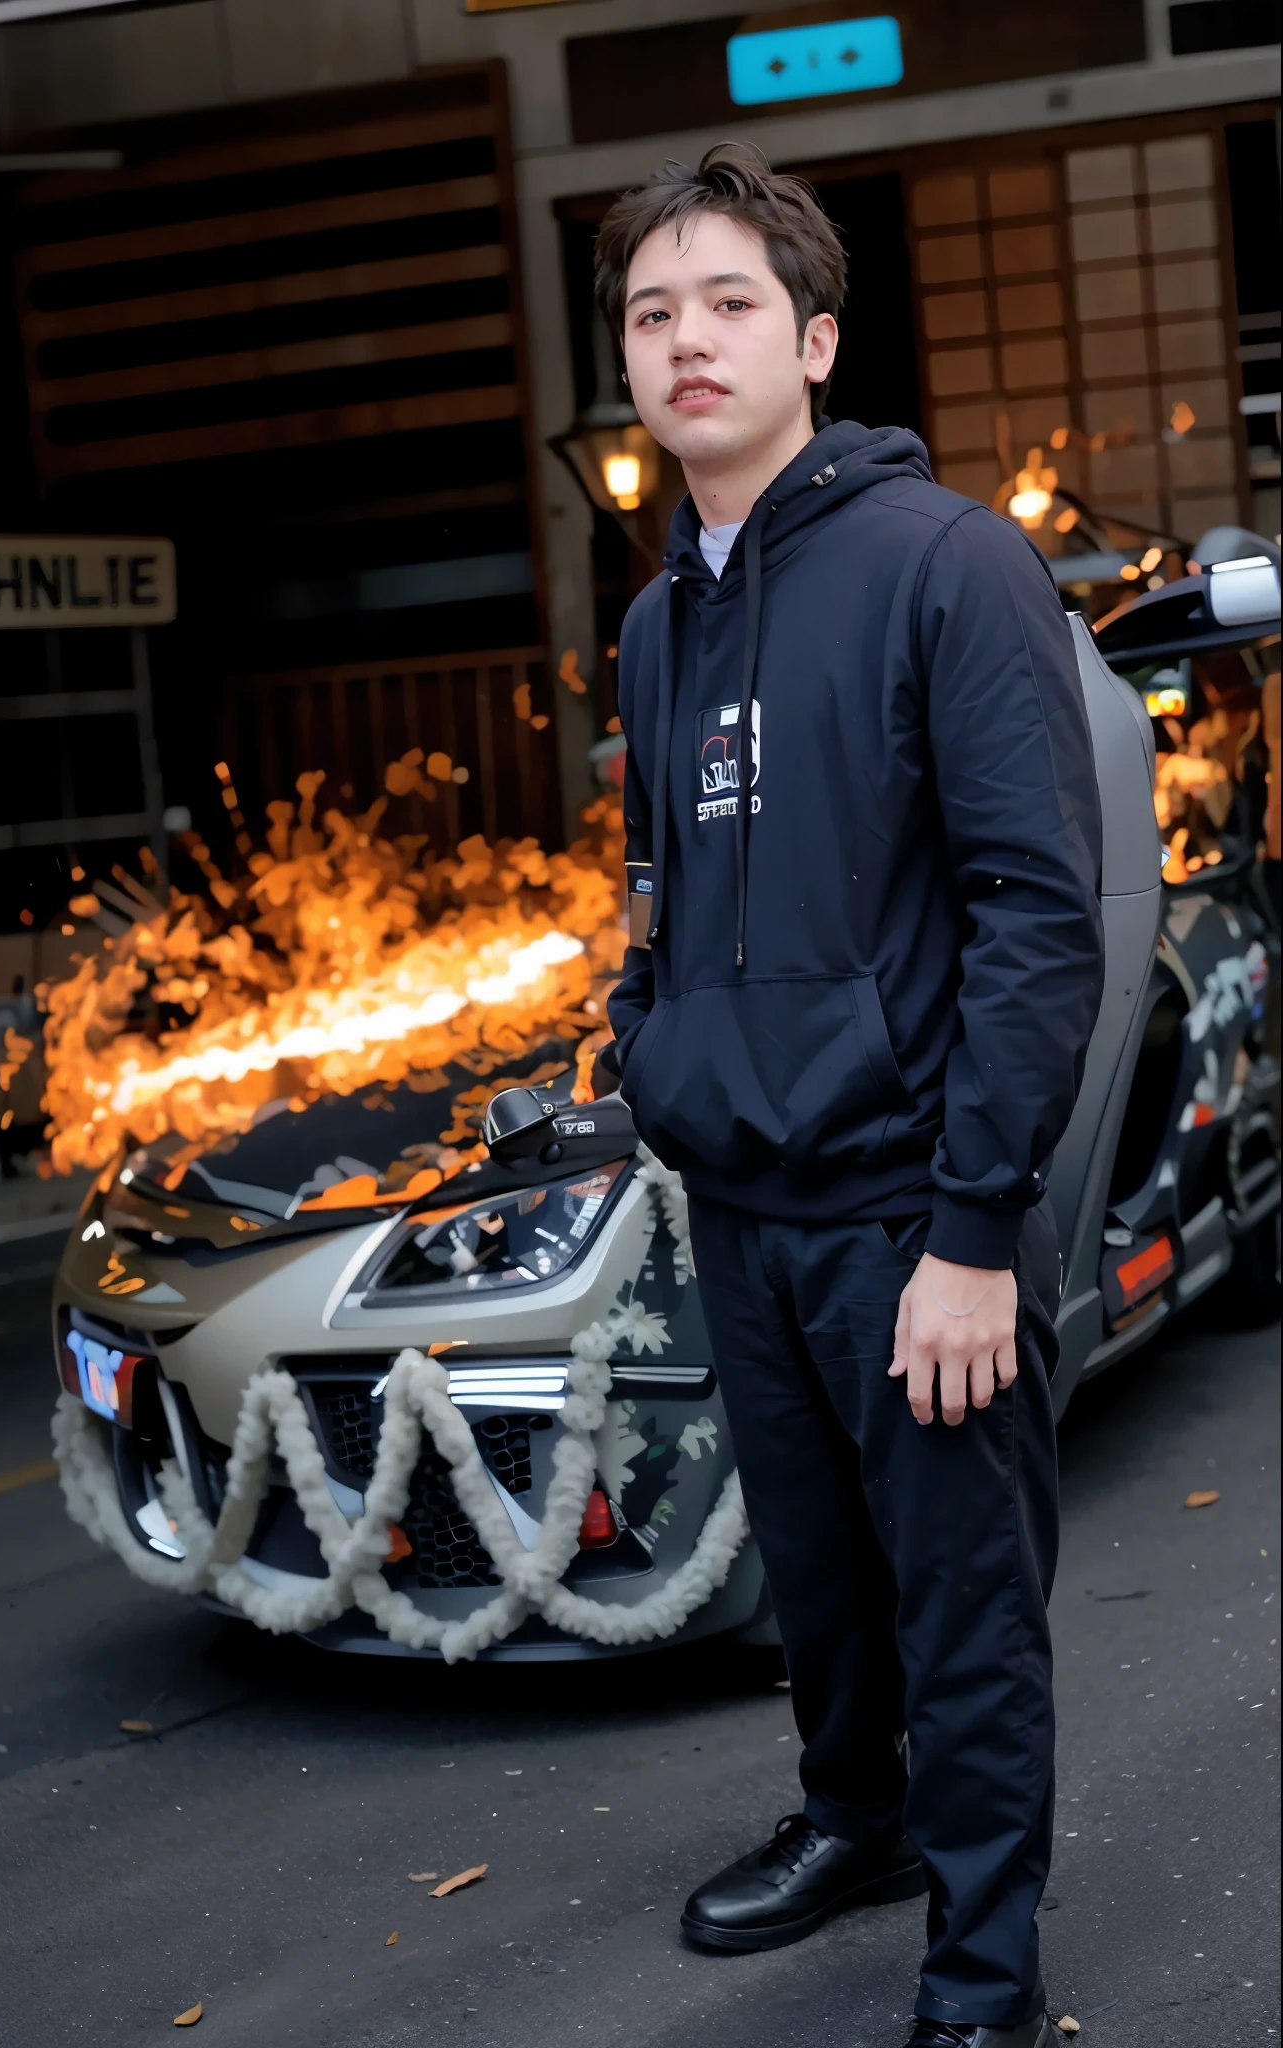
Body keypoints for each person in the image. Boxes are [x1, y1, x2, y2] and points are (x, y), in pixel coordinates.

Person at [590, 143, 1104, 2048]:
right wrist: (650, 1046)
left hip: (915, 1209)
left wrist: (978, 1228)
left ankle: (986, 1975)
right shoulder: (657, 626)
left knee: (964, 1609)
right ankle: (858, 1824)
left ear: (813, 339)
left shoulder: (945, 562)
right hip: (746, 1204)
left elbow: (1037, 914)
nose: (686, 339)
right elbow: (655, 894)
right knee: (822, 1588)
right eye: (653, 311)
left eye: (728, 302)